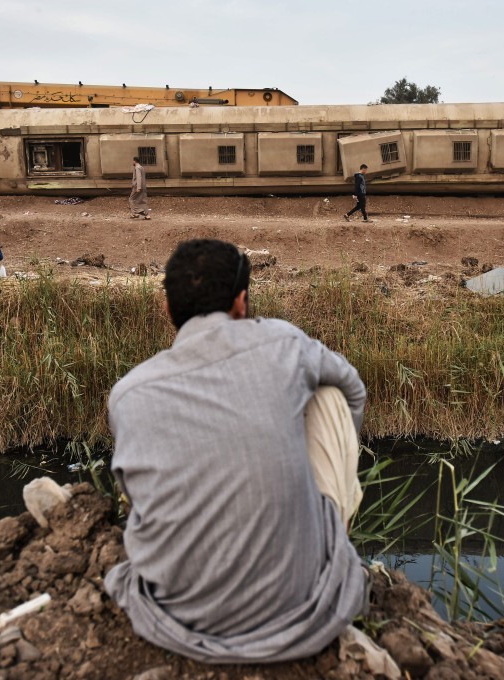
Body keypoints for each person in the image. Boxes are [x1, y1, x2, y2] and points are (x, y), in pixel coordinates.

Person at [104, 238, 369, 664]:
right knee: (328, 393)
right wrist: (330, 472)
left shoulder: (127, 393)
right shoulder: (284, 343)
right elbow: (354, 389)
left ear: (167, 310)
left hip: (178, 617)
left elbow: (138, 497)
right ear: (241, 303)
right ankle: (321, 538)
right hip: (300, 609)